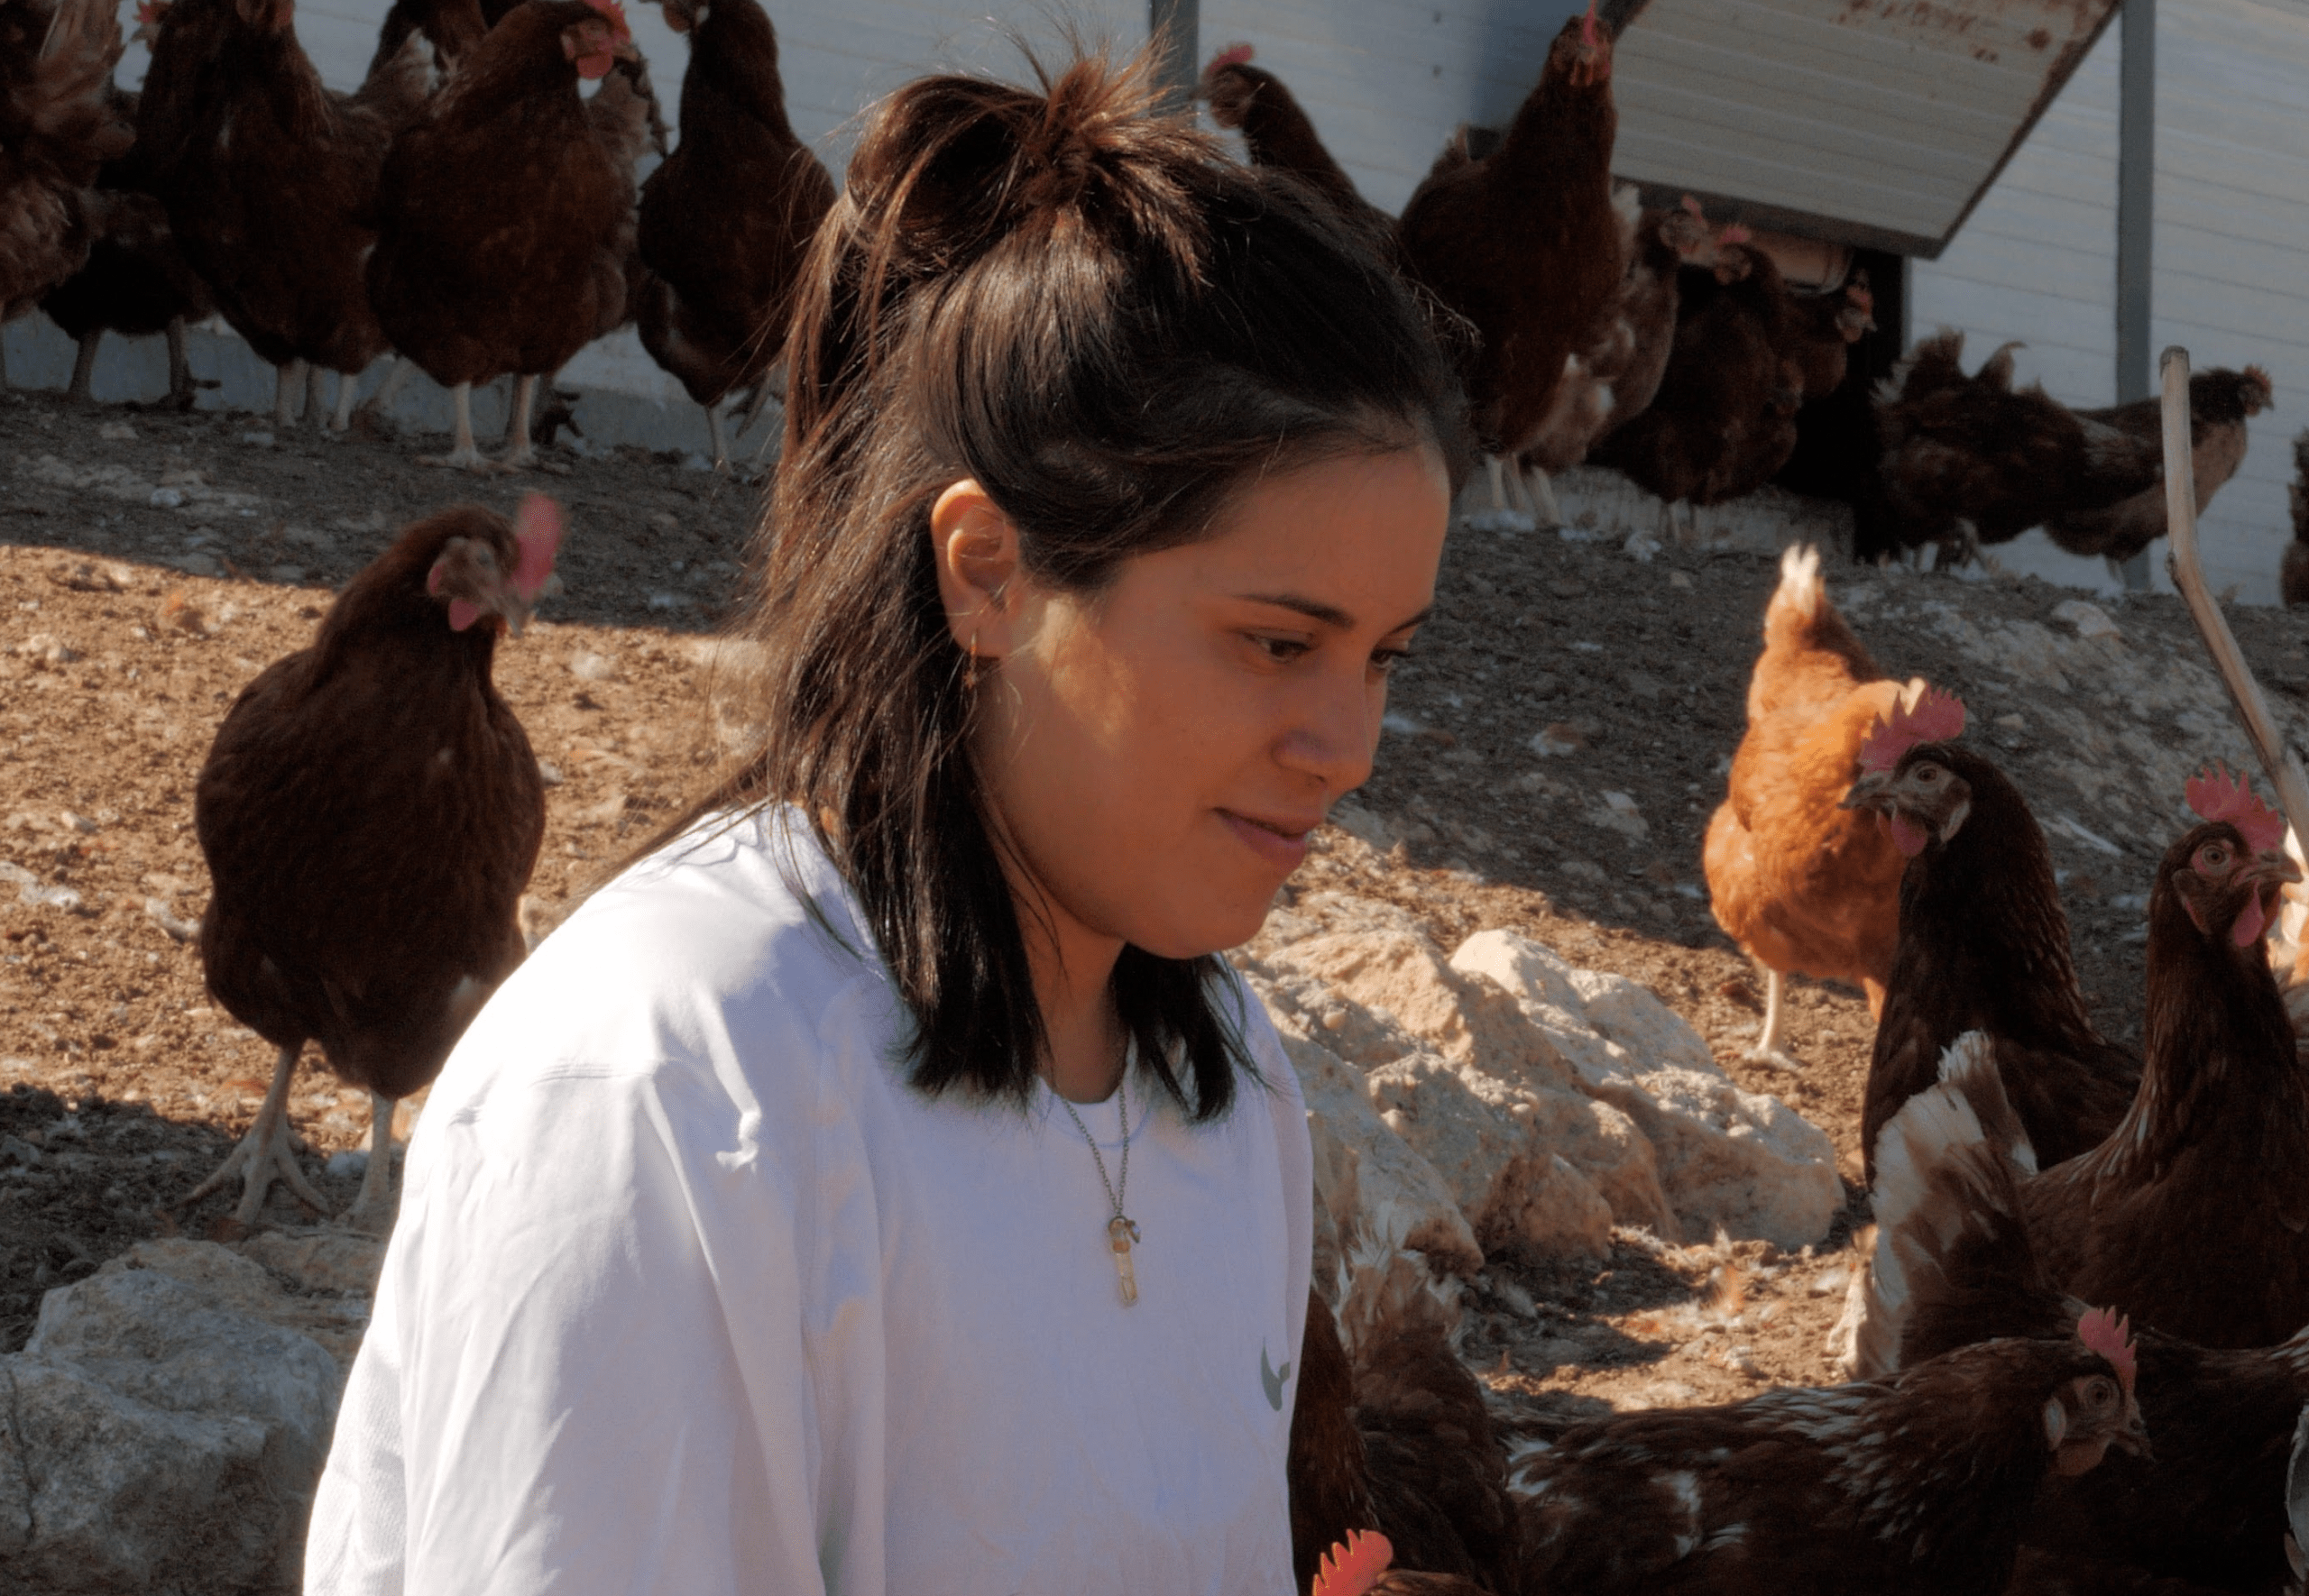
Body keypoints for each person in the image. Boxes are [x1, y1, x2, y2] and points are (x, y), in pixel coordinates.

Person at [304, 47, 1468, 1595]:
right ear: (987, 572)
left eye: (1382, 657)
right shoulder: (677, 1089)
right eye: (1276, 640)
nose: (1348, 747)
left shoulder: (1229, 1083)